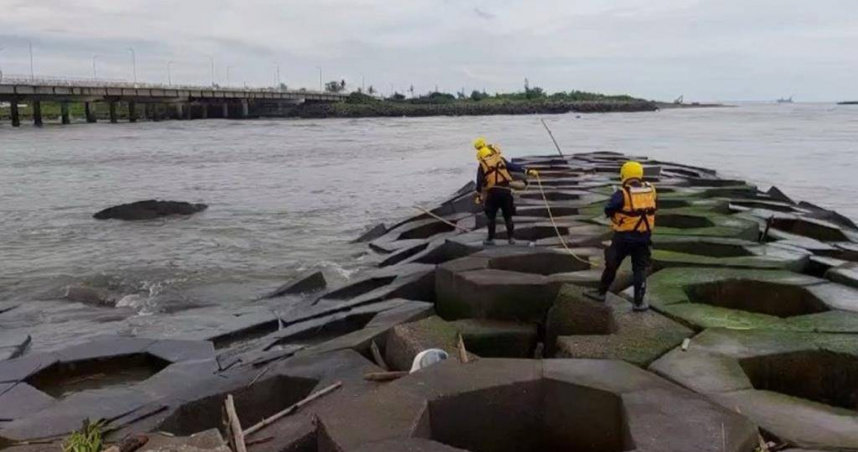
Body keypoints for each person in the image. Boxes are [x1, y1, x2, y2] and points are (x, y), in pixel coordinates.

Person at [586, 161, 656, 311]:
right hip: (644, 238)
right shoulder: (651, 190)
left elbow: (609, 209)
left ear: (624, 174)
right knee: (639, 269)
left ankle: (601, 293)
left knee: (612, 264)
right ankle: (638, 302)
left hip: (624, 238)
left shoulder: (622, 193)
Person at [473, 137, 537, 245]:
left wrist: (479, 195)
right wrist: (528, 171)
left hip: (493, 194)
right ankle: (511, 239)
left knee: (491, 217)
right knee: (508, 216)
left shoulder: (482, 165)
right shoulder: (500, 159)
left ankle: (490, 239)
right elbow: (514, 167)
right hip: (506, 192)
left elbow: (479, 182)